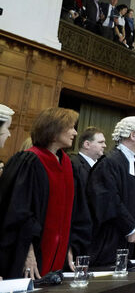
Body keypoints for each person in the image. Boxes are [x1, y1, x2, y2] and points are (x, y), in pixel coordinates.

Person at [0, 107, 90, 280]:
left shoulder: (68, 165)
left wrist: (70, 246)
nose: (75, 132)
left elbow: (77, 212)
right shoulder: (29, 161)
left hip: (59, 255)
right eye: (70, 127)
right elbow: (18, 213)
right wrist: (27, 252)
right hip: (30, 254)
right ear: (54, 129)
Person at [87, 116, 135, 266]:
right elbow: (108, 200)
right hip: (109, 239)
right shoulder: (109, 162)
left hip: (129, 237)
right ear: (133, 135)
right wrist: (131, 227)